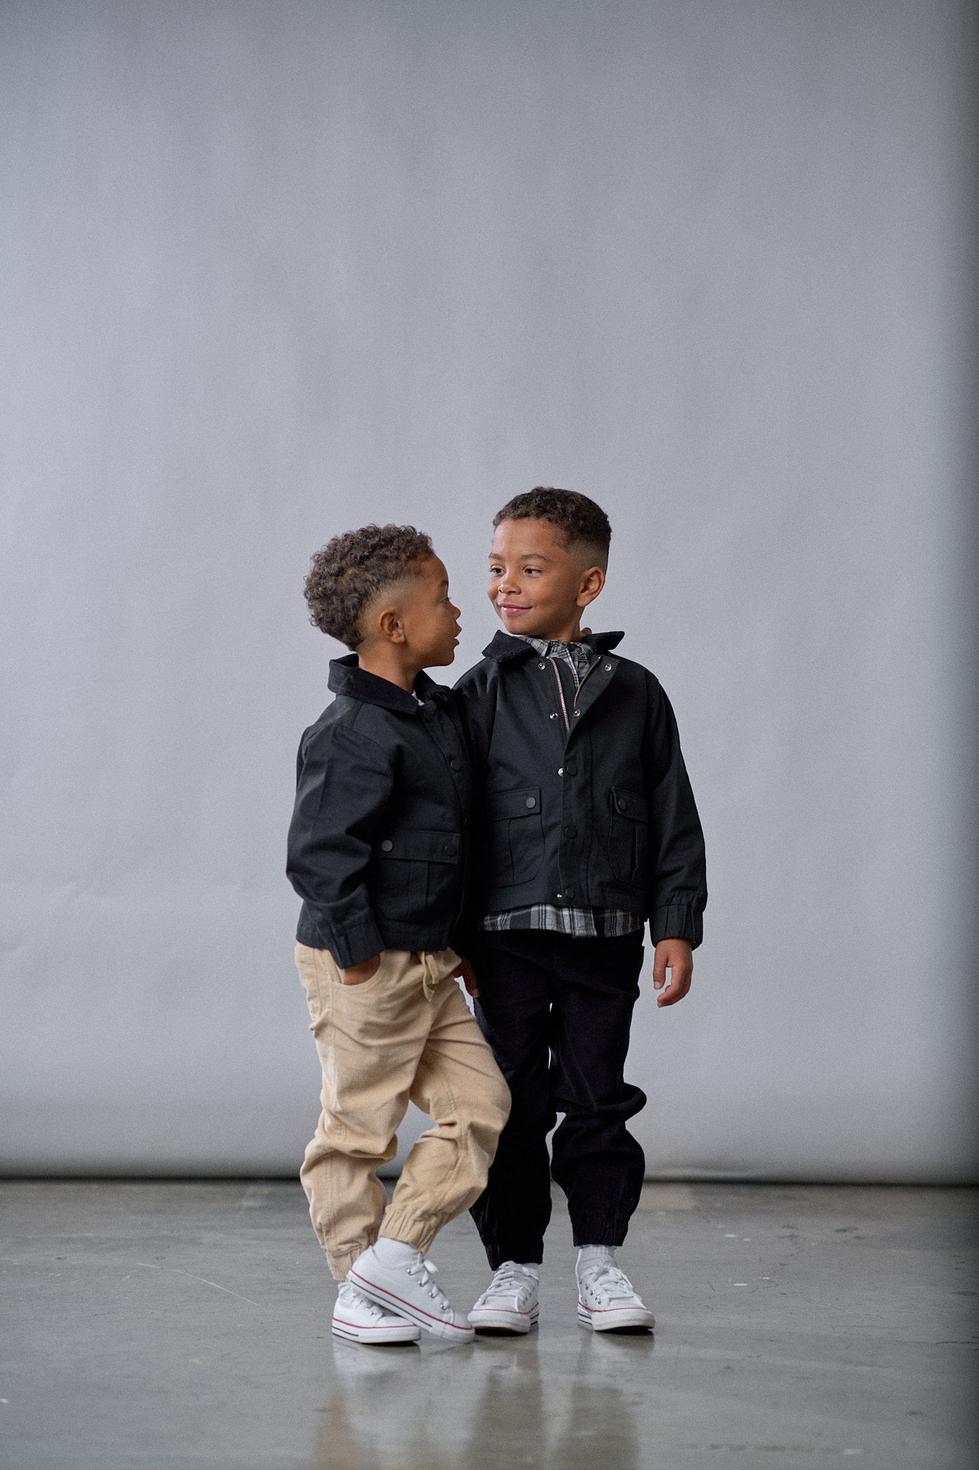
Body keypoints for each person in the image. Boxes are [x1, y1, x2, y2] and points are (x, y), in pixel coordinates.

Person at [454, 488, 707, 1335]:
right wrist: (449, 934)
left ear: (587, 584)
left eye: (530, 569)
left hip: (605, 933)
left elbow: (671, 812)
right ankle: (513, 1270)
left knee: (599, 1101)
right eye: (496, 567)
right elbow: (450, 823)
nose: (505, 584)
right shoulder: (477, 692)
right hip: (502, 939)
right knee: (510, 1105)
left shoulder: (636, 692)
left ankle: (599, 1259)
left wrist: (675, 923)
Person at [286, 524, 510, 1346]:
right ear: (392, 625)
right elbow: (319, 855)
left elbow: (453, 845)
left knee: (480, 1106)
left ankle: (392, 1256)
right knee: (357, 1128)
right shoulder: (351, 731)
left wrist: (461, 946)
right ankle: (356, 1287)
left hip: (431, 959)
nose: (459, 612)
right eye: (443, 599)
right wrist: (357, 958)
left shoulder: (435, 714)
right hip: (367, 961)